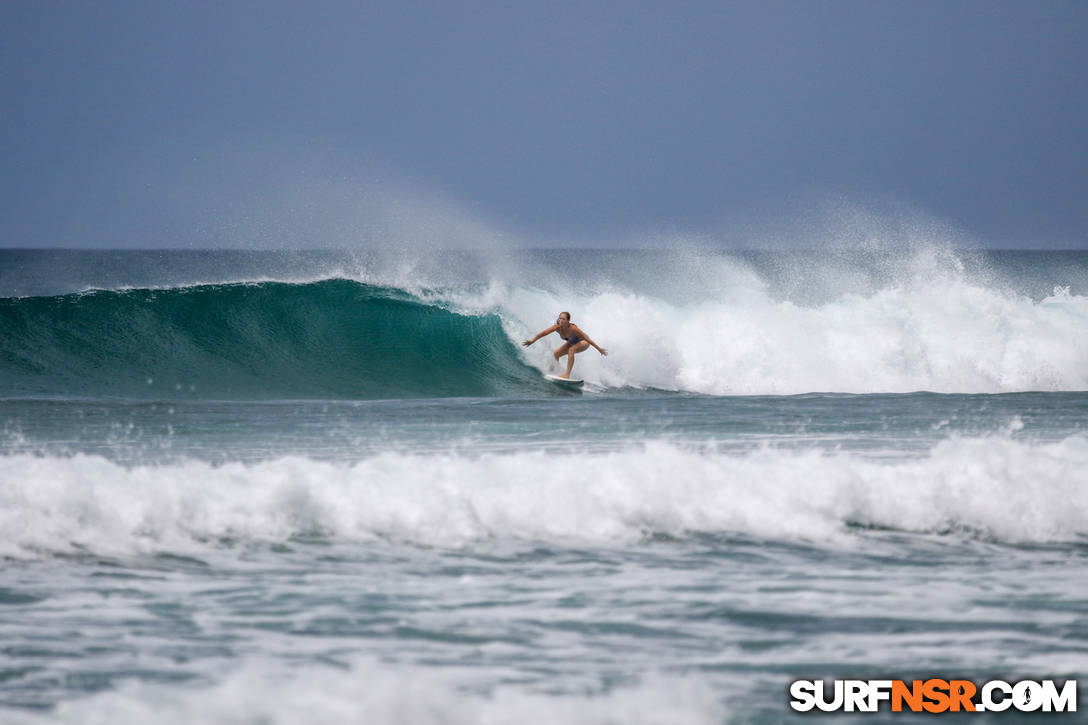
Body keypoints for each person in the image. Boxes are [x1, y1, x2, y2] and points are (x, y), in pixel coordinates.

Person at [522, 311, 607, 379]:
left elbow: (587, 339)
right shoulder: (556, 327)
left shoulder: (574, 329)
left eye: (563, 319)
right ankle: (553, 371)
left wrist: (599, 349)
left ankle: (567, 374)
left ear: (568, 320)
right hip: (571, 342)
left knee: (571, 350)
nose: (561, 320)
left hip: (584, 342)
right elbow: (543, 333)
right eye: (560, 318)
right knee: (556, 354)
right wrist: (532, 341)